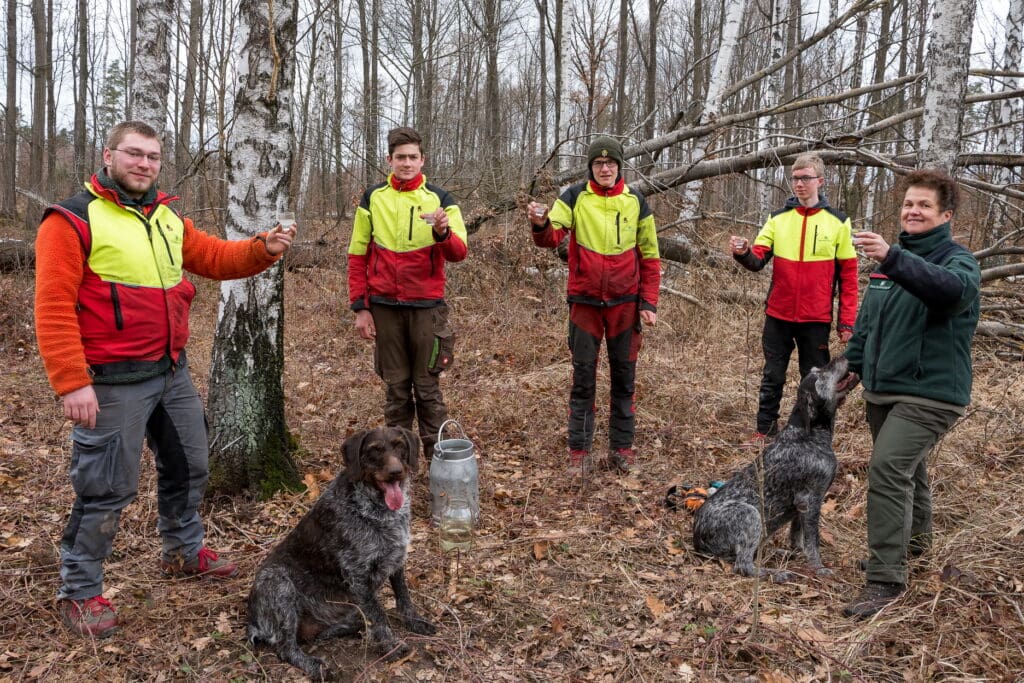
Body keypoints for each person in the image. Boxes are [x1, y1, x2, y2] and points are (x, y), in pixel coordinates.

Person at [34, 120, 296, 638]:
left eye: (153, 157)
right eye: (134, 154)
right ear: (107, 156)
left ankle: (181, 550)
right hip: (109, 380)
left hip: (170, 371)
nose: (144, 164)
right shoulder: (71, 220)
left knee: (191, 464)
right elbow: (52, 305)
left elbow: (214, 257)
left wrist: (261, 248)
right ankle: (80, 589)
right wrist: (71, 381)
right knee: (106, 486)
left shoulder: (167, 217)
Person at [842, 169, 980, 618]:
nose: (913, 211)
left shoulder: (957, 261)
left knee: (887, 467)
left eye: (923, 205)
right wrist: (852, 368)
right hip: (884, 389)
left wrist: (893, 257)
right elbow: (869, 325)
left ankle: (885, 579)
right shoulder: (887, 267)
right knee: (908, 470)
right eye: (907, 204)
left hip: (932, 391)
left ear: (945, 215)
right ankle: (914, 552)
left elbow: (951, 293)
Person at [527, 135, 660, 477]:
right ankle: (579, 451)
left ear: (619, 167)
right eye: (599, 164)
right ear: (591, 167)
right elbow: (551, 236)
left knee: (624, 378)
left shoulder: (636, 201)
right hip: (584, 303)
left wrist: (649, 302)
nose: (605, 168)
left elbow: (650, 255)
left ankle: (622, 448)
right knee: (583, 378)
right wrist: (540, 222)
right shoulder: (573, 196)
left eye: (611, 163)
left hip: (625, 305)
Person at [347, 127, 468, 459]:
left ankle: (441, 465)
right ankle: (396, 469)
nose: (406, 163)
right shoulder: (372, 198)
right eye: (400, 157)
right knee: (397, 392)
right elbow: (357, 255)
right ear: (389, 160)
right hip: (384, 308)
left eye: (413, 157)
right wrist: (361, 307)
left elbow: (459, 253)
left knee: (428, 391)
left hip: (427, 308)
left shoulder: (441, 200)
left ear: (422, 160)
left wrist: (443, 232)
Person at [730, 153, 858, 440]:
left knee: (815, 381)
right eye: (795, 178)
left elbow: (849, 279)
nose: (799, 184)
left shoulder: (838, 222)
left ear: (820, 181)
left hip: (816, 318)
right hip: (778, 314)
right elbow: (757, 260)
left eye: (806, 178)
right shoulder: (777, 219)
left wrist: (846, 323)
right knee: (772, 376)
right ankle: (765, 431)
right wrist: (742, 252)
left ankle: (811, 435)